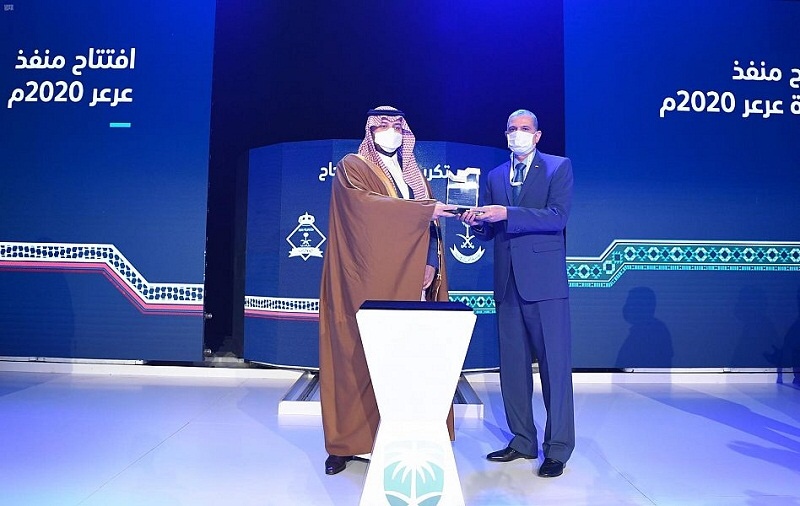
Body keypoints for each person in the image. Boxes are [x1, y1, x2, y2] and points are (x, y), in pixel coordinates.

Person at [318, 106, 457, 475]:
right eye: (383, 125)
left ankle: (406, 436)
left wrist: (428, 262)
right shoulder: (353, 166)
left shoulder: (414, 175)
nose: (391, 131)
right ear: (370, 130)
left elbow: (428, 225)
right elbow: (364, 209)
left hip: (410, 279)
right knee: (356, 355)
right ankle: (346, 444)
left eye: (397, 125)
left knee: (408, 358)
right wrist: (422, 211)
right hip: (364, 280)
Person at [460, 109, 575, 478]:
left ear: (537, 135)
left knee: (554, 367)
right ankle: (523, 440)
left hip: (545, 284)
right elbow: (491, 229)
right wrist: (477, 222)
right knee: (512, 367)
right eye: (512, 128)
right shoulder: (495, 175)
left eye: (525, 128)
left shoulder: (558, 167)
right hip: (507, 283)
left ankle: (557, 449)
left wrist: (506, 212)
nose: (518, 133)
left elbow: (557, 217)